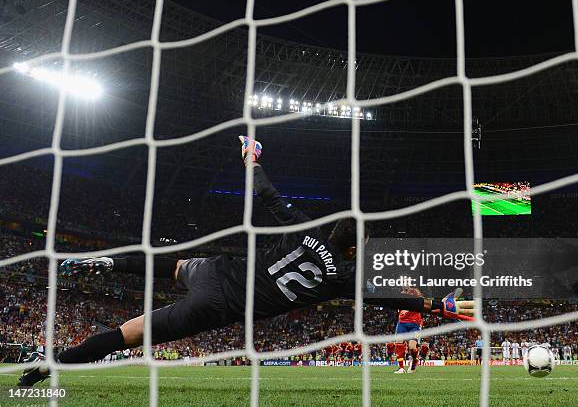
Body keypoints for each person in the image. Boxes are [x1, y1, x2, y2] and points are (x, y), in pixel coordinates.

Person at [18, 136, 474, 386]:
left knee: (169, 263)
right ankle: (54, 365)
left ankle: (109, 263)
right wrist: (439, 306)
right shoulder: (346, 276)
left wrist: (251, 158)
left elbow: (267, 196)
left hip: (217, 270)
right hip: (216, 306)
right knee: (126, 336)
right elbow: (386, 298)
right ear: (354, 249)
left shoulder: (306, 228)